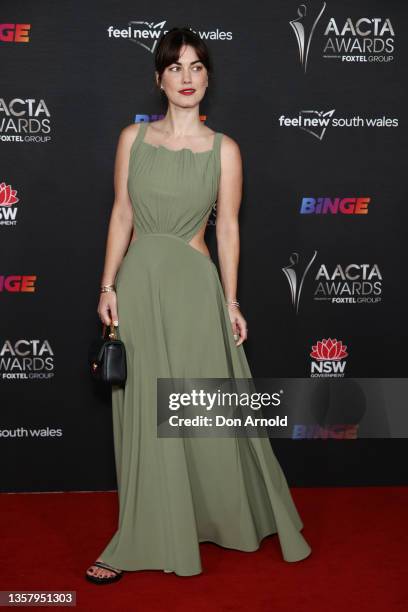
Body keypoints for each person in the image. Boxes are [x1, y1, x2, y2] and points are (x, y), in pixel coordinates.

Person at [85, 26, 311, 584]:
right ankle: (141, 534)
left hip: (194, 286)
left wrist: (231, 301)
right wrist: (107, 286)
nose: (187, 78)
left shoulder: (224, 149)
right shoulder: (132, 141)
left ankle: (224, 517)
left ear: (208, 78)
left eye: (197, 67)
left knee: (202, 408)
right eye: (176, 68)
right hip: (139, 286)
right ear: (158, 78)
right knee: (144, 414)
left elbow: (228, 229)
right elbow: (121, 215)